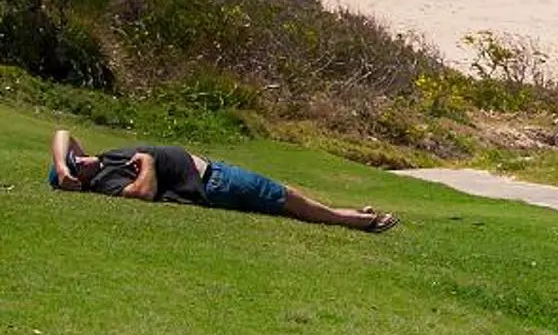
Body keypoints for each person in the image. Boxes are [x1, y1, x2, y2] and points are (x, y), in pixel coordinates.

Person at [48, 128, 394, 232]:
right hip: (213, 183)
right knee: (284, 197)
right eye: (78, 165)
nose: (84, 157)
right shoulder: (104, 182)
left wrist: (62, 167)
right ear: (82, 180)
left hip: (214, 172)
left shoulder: (99, 161)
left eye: (77, 158)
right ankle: (354, 219)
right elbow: (142, 195)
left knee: (286, 200)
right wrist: (148, 163)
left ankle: (347, 216)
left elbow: (63, 133)